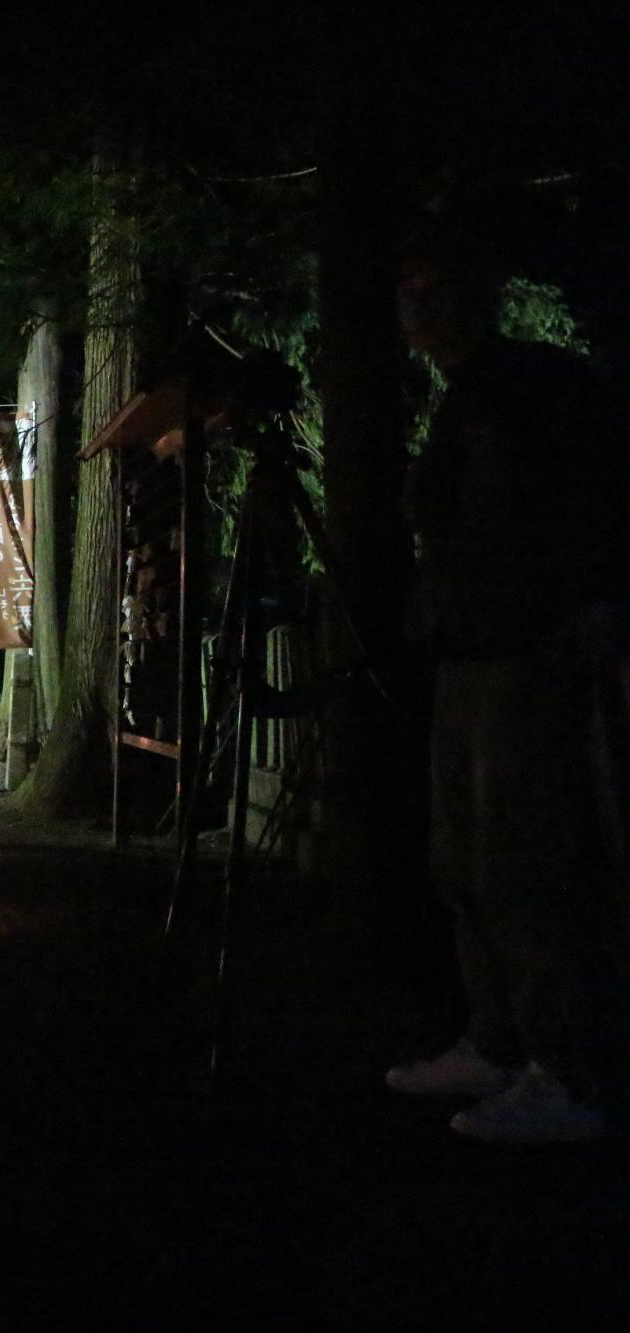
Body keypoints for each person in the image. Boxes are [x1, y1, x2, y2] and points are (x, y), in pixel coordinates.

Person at [385, 232, 627, 1144]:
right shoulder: (470, 396)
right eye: (410, 291)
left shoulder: (533, 388)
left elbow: (583, 501)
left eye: (437, 287)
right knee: (466, 858)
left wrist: (593, 597)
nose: (422, 308)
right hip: (471, 647)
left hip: (525, 650)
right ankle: (494, 1039)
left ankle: (569, 1069)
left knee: (530, 862)